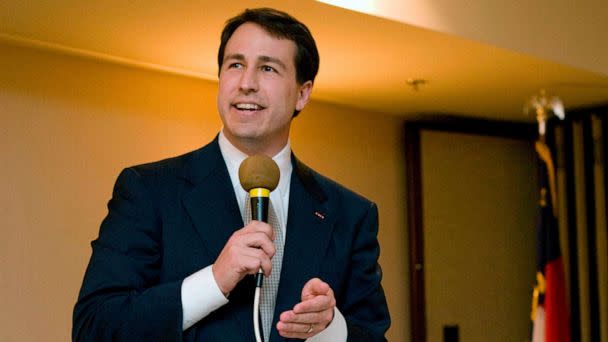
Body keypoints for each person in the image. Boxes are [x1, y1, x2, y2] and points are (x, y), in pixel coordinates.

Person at [73, 7, 390, 341]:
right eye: (235, 64)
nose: (246, 84)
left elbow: (372, 335)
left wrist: (331, 328)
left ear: (303, 92)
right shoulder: (148, 190)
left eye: (268, 68)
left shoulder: (350, 214)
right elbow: (95, 327)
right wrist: (214, 281)